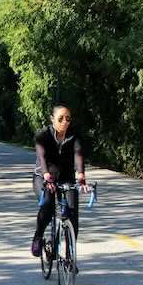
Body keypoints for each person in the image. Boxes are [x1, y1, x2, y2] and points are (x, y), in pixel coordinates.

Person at [31, 104, 86, 257]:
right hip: (43, 177)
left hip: (66, 178)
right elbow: (42, 156)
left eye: (68, 118)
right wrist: (46, 173)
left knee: (72, 214)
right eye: (60, 118)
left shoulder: (74, 136)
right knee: (48, 207)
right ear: (52, 119)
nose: (65, 122)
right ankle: (38, 237)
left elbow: (78, 154)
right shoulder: (43, 135)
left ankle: (70, 257)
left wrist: (81, 174)